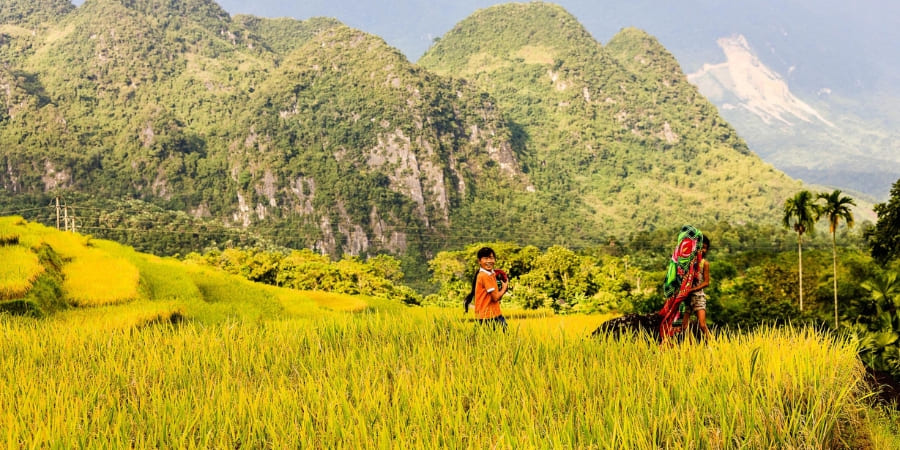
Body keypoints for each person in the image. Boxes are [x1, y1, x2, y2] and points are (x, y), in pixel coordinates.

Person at [471, 246, 509, 331]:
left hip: (492, 314)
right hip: (488, 317)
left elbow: (496, 297)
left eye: (491, 258)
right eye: (485, 258)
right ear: (479, 261)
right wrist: (504, 288)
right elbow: (495, 297)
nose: (488, 261)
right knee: (500, 341)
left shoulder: (490, 274)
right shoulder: (485, 275)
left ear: (494, 260)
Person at [682, 236, 712, 340]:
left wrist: (693, 289)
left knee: (702, 325)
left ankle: (714, 345)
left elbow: (706, 282)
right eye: (701, 247)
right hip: (687, 298)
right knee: (684, 326)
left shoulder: (705, 264)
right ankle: (690, 346)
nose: (703, 250)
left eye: (705, 248)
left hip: (699, 297)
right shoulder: (689, 263)